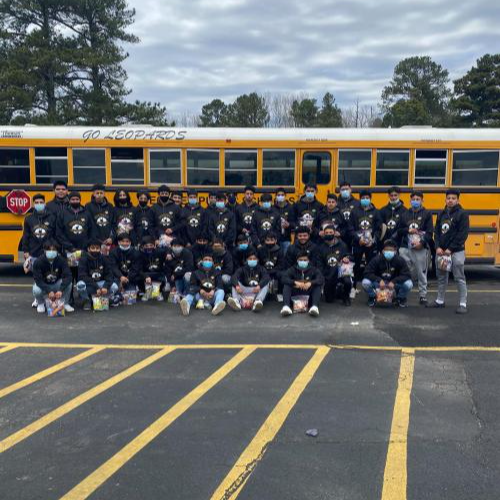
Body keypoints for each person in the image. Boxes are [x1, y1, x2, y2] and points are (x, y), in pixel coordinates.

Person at [427, 189, 469, 314]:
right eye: (448, 198)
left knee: (459, 277)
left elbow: (463, 234)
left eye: (453, 198)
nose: (450, 200)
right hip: (441, 252)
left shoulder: (462, 214)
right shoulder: (441, 214)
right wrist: (438, 247)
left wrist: (450, 249)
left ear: (458, 200)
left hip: (456, 251)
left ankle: (462, 303)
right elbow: (437, 232)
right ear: (445, 199)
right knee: (441, 277)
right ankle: (440, 301)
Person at [399, 191, 434, 305]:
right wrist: (407, 230)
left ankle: (423, 295)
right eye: (413, 199)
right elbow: (399, 230)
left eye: (418, 199)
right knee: (404, 271)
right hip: (405, 247)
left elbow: (429, 232)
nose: (415, 201)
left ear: (422, 201)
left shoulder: (427, 214)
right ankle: (402, 295)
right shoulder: (404, 214)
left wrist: (422, 243)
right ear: (410, 201)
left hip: (420, 248)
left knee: (421, 271)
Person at [362, 239, 413, 308]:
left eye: (391, 250)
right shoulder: (376, 259)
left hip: (394, 284)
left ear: (395, 251)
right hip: (379, 284)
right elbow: (367, 272)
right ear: (383, 251)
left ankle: (399, 298)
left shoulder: (400, 260)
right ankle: (373, 297)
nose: (389, 252)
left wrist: (394, 281)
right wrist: (379, 280)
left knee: (409, 284)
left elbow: (407, 275)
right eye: (387, 250)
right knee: (365, 282)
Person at [348, 190, 382, 288]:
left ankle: (373, 288)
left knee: (372, 266)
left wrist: (373, 240)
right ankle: (353, 288)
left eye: (367, 198)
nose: (365, 200)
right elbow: (350, 228)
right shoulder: (354, 212)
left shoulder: (376, 212)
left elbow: (379, 229)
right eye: (363, 198)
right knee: (355, 267)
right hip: (358, 244)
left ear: (370, 199)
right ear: (360, 199)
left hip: (371, 245)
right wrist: (358, 239)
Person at [32, 240, 73, 313]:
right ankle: (40, 303)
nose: (51, 251)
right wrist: (48, 290)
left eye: (54, 249)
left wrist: (61, 289)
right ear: (44, 250)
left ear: (57, 251)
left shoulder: (62, 260)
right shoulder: (38, 262)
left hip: (56, 284)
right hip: (44, 285)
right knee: (36, 289)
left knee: (69, 284)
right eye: (49, 249)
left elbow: (68, 276)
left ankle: (65, 303)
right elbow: (38, 280)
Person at [76, 238, 118, 310]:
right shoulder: (83, 260)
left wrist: (105, 286)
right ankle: (87, 300)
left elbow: (109, 274)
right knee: (80, 285)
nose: (95, 250)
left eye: (97, 248)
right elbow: (82, 276)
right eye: (93, 248)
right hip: (90, 284)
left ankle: (104, 299)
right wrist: (96, 287)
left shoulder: (104, 259)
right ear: (88, 249)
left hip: (101, 283)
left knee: (114, 286)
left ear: (100, 249)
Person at [317, 225, 353, 305]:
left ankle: (346, 296)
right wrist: (323, 277)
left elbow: (349, 255)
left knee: (347, 282)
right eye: (326, 233)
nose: (329, 234)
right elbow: (319, 265)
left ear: (335, 233)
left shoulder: (342, 245)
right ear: (323, 234)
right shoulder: (320, 247)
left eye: (331, 232)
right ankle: (338, 291)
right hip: (328, 275)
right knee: (329, 300)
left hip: (341, 273)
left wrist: (347, 258)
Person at [280, 251, 324, 317]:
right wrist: (294, 282)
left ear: (308, 261)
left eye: (305, 260)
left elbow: (321, 279)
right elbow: (283, 278)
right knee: (287, 285)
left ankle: (314, 307)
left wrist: (310, 283)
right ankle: (286, 307)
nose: (303, 261)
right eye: (300, 260)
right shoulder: (292, 269)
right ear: (297, 260)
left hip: (309, 297)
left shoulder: (314, 269)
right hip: (295, 297)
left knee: (317, 286)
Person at [22, 194, 56, 262]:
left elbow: (56, 234)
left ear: (44, 204)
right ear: (33, 205)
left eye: (41, 202)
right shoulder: (28, 218)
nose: (39, 204)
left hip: (49, 252)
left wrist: (54, 247)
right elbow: (26, 235)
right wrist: (25, 251)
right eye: (36, 203)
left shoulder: (52, 217)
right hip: (33, 253)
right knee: (35, 272)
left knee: (49, 272)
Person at [137, 236, 168, 301]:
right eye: (146, 246)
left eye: (151, 245)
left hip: (158, 274)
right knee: (138, 277)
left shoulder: (160, 252)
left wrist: (169, 254)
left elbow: (169, 249)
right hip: (146, 275)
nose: (149, 247)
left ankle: (157, 292)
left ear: (154, 245)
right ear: (142, 246)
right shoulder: (139, 255)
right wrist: (146, 276)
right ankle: (147, 292)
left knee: (161, 277)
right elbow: (139, 269)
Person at [257, 231, 284, 298]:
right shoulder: (260, 250)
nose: (269, 242)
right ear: (265, 241)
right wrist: (264, 270)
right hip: (263, 270)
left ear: (276, 240)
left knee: (281, 275)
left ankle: (279, 293)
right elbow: (258, 263)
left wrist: (271, 271)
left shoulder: (280, 250)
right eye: (267, 240)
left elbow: (281, 265)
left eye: (272, 240)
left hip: (275, 271)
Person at [274, 187, 295, 256]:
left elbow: (294, 223)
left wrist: (289, 225)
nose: (280, 197)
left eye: (282, 195)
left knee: (286, 257)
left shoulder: (290, 208)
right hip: (275, 239)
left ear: (285, 196)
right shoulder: (273, 208)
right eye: (278, 195)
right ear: (276, 196)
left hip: (286, 239)